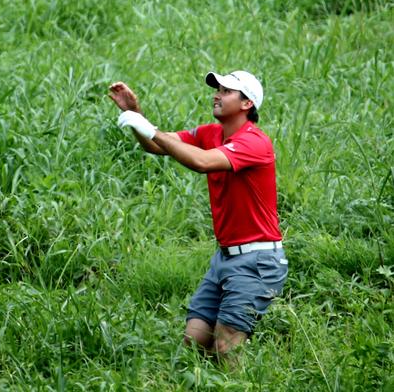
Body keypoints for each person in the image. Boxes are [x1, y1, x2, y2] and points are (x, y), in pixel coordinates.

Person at [109, 71, 288, 363]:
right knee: (195, 339)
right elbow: (156, 145)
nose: (217, 94)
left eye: (227, 91)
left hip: (257, 260)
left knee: (226, 347)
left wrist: (149, 129)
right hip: (225, 258)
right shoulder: (211, 133)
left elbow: (201, 162)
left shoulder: (255, 142)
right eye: (217, 89)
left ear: (246, 104)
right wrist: (135, 114)